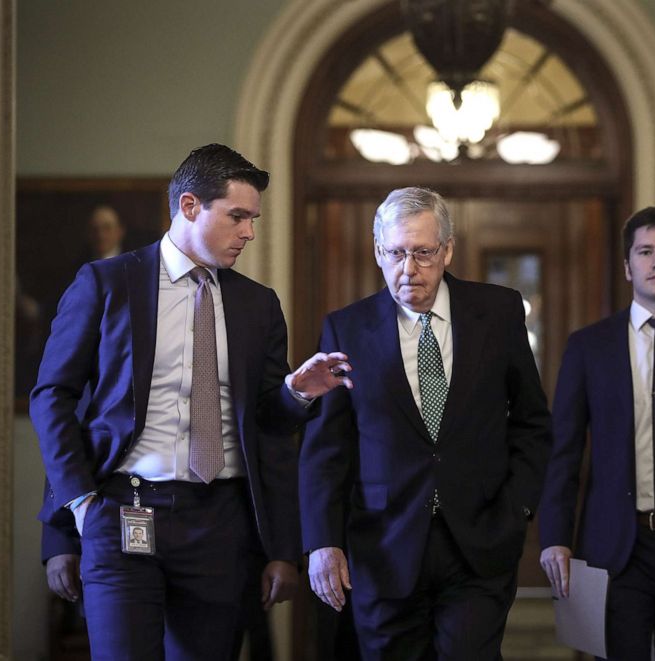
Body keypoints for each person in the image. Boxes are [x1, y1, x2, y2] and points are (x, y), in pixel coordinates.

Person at [31, 143, 354, 661]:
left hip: (221, 525)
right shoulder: (108, 284)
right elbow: (55, 397)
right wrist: (81, 506)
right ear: (188, 206)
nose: (249, 231)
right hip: (122, 512)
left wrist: (297, 392)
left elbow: (267, 429)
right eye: (237, 216)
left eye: (253, 219)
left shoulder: (258, 304)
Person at [299, 186, 552, 659]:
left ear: (448, 249)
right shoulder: (346, 329)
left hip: (479, 539)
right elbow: (327, 448)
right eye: (396, 253)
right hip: (383, 546)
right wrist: (321, 542)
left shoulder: (497, 312)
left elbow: (532, 422)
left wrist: (517, 509)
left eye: (423, 252)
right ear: (378, 251)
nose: (409, 269)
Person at [538, 207, 655, 660]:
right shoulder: (590, 345)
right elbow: (564, 451)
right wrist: (555, 535)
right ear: (628, 265)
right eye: (645, 251)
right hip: (619, 544)